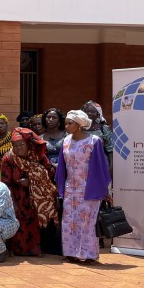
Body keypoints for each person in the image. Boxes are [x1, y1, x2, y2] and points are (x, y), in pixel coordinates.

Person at [56, 110, 111, 264]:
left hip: (88, 188)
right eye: (65, 123)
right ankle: (71, 253)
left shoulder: (94, 141)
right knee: (69, 221)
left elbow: (100, 167)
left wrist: (103, 189)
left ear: (79, 124)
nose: (66, 126)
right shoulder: (65, 141)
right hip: (70, 188)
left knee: (86, 221)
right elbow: (62, 167)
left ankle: (88, 254)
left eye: (69, 123)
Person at [0, 128, 59, 256]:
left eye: (21, 144)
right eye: (15, 145)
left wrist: (32, 180)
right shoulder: (8, 158)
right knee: (18, 221)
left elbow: (49, 172)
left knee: (34, 223)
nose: (19, 148)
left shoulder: (37, 156)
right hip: (16, 196)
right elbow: (5, 183)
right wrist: (13, 203)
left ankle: (35, 249)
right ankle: (16, 250)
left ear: (27, 144)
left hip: (37, 196)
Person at [82, 100, 114, 167]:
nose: (89, 113)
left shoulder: (103, 129)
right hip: (80, 163)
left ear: (98, 114)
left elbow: (110, 149)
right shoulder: (77, 128)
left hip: (100, 163)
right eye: (87, 111)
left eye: (93, 112)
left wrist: (111, 167)